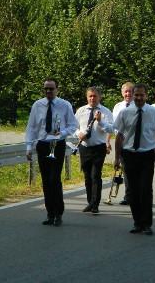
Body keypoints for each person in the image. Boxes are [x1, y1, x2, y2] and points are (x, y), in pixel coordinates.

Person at [113, 83, 155, 235]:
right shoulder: (125, 112)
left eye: (141, 95)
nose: (138, 98)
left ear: (146, 95)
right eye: (136, 95)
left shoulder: (154, 112)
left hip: (147, 155)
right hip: (129, 155)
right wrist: (117, 158)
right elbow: (119, 136)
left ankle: (147, 224)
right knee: (132, 190)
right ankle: (137, 222)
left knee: (145, 189)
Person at [25, 78, 77, 226]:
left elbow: (73, 125)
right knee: (46, 181)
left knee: (54, 179)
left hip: (57, 144)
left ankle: (58, 213)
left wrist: (62, 133)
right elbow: (31, 127)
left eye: (51, 88)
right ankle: (50, 213)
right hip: (42, 145)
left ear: (57, 89)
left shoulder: (64, 105)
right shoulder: (38, 105)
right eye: (46, 88)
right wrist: (28, 147)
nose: (48, 91)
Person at [74, 87, 114, 214]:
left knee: (95, 175)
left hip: (99, 147)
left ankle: (95, 204)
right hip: (84, 147)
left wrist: (100, 121)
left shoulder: (105, 111)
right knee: (87, 176)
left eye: (95, 96)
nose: (92, 98)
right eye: (90, 96)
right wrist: (78, 134)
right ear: (87, 97)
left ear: (99, 97)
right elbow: (74, 126)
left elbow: (111, 129)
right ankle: (90, 202)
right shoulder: (81, 111)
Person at [112, 81, 135, 205]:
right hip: (121, 141)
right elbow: (113, 125)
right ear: (122, 93)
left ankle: (134, 195)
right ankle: (128, 195)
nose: (128, 94)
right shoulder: (117, 106)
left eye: (130, 91)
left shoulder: (138, 106)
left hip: (133, 142)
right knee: (126, 170)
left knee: (134, 171)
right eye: (126, 92)